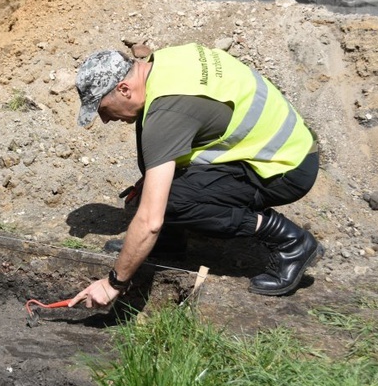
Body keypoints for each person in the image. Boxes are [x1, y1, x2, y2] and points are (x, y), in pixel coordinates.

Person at [69, 43, 323, 309]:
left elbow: (150, 221)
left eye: (103, 109)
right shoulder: (161, 66)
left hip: (285, 168)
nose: (106, 120)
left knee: (164, 202)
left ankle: (292, 242)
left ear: (123, 89)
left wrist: (114, 283)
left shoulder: (168, 111)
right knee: (153, 183)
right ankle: (170, 240)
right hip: (281, 145)